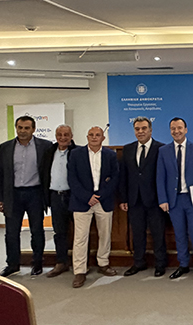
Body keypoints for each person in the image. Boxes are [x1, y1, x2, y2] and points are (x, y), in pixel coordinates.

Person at [0, 115, 52, 277]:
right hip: (13, 194)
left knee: (37, 230)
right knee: (11, 232)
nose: (23, 131)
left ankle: (37, 262)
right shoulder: (5, 147)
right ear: (16, 128)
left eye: (27, 128)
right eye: (20, 127)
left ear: (33, 129)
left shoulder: (45, 146)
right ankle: (12, 264)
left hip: (35, 193)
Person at [67, 126, 119, 288]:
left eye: (98, 135)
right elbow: (72, 179)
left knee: (105, 234)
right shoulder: (76, 154)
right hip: (81, 201)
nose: (94, 137)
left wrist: (100, 196)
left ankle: (103, 263)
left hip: (104, 201)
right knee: (80, 238)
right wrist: (87, 197)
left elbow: (115, 177)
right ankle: (79, 271)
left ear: (103, 138)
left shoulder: (110, 155)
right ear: (87, 137)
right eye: (91, 135)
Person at [157, 117, 193, 281]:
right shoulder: (163, 151)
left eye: (179, 128)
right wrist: (163, 199)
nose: (176, 131)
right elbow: (160, 177)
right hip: (174, 200)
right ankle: (183, 264)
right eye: (173, 128)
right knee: (179, 234)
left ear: (186, 130)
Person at [118, 117, 168, 277]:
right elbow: (123, 176)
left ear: (150, 130)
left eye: (144, 128)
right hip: (134, 199)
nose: (140, 132)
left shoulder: (161, 148)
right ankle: (138, 262)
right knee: (137, 233)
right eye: (137, 129)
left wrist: (164, 198)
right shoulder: (128, 149)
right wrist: (123, 198)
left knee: (158, 233)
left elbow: (165, 176)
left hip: (155, 200)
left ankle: (160, 264)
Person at [39, 124, 78, 278]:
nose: (63, 137)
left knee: (80, 232)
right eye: (60, 135)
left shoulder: (78, 152)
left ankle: (81, 263)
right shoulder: (49, 152)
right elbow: (44, 174)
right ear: (56, 136)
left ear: (71, 136)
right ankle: (61, 262)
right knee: (59, 232)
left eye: (66, 135)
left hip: (74, 196)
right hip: (55, 196)